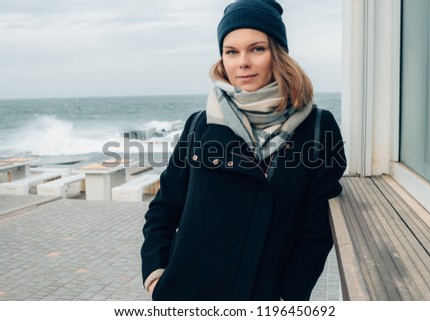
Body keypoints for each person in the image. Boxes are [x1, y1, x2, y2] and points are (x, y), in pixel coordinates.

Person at [141, 0, 346, 301]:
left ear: (278, 54)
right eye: (231, 51)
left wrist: (288, 296)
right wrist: (156, 273)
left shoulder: (317, 127)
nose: (243, 62)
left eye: (257, 49)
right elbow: (165, 206)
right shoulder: (201, 124)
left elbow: (316, 232)